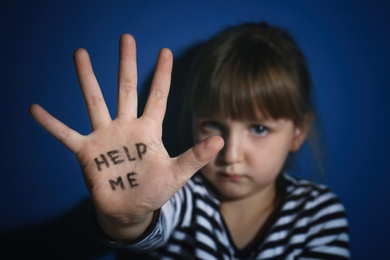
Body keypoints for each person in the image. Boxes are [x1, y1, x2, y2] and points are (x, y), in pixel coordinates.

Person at [30, 22, 350, 259]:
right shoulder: (181, 195)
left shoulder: (318, 213)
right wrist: (128, 218)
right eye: (213, 124)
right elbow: (151, 223)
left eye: (259, 129)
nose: (231, 154)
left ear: (298, 132)